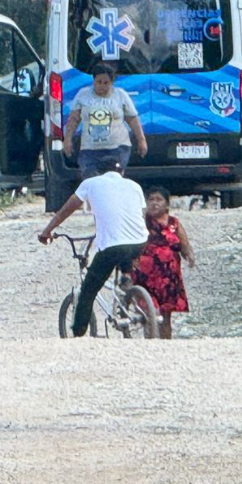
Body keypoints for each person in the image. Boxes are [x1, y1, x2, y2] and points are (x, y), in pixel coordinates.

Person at [38, 161, 148, 338]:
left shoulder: (90, 183)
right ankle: (126, 281)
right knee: (125, 252)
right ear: (121, 171)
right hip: (140, 241)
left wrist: (47, 231)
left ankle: (78, 332)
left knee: (89, 289)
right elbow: (140, 215)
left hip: (113, 246)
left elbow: (66, 210)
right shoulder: (134, 186)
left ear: (98, 172)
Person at [131, 187, 196, 340]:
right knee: (148, 310)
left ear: (167, 205)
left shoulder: (174, 223)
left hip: (168, 277)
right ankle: (150, 339)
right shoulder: (140, 222)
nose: (154, 203)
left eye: (159, 200)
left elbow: (184, 244)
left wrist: (189, 255)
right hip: (146, 274)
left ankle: (166, 343)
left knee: (166, 315)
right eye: (151, 199)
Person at [65, 63, 148, 178]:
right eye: (99, 82)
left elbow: (133, 119)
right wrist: (67, 140)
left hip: (117, 149)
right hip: (90, 150)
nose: (102, 86)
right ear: (93, 81)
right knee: (91, 179)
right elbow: (73, 120)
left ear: (112, 82)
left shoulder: (120, 95)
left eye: (106, 83)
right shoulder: (83, 95)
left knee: (113, 179)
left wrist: (141, 140)